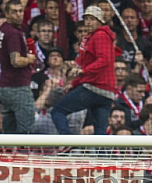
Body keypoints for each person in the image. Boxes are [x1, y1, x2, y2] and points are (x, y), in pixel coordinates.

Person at [51, 6, 118, 135]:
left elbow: (104, 60)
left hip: (93, 88)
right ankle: (102, 155)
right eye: (86, 19)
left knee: (57, 111)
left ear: (100, 21)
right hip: (107, 93)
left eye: (92, 19)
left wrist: (83, 71)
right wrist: (74, 83)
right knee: (100, 133)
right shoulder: (96, 36)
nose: (88, 22)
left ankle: (68, 141)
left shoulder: (99, 35)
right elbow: (88, 66)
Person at [0, 0, 37, 134]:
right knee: (26, 131)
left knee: (9, 131)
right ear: (6, 14)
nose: (18, 15)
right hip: (18, 87)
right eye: (14, 12)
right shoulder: (13, 33)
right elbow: (16, 61)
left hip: (5, 87)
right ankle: (23, 154)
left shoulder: (3, 28)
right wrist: (29, 59)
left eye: (20, 11)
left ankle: (8, 154)